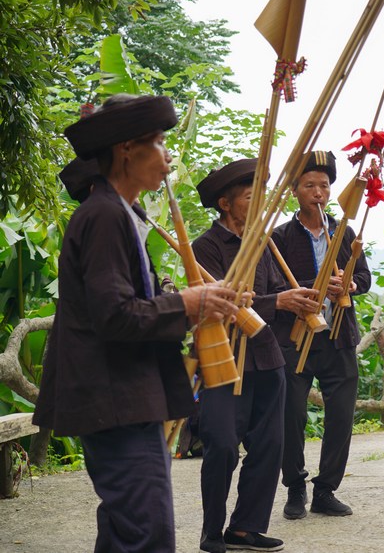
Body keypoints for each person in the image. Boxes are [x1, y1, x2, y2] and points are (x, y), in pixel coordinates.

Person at [33, 94, 239, 553]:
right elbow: (114, 317)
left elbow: (127, 305)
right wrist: (186, 304)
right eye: (160, 142)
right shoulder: (104, 215)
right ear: (127, 149)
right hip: (114, 400)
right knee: (145, 535)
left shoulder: (124, 212)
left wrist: (200, 303)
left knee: (129, 531)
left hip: (127, 397)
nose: (169, 155)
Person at [193, 159, 317, 552]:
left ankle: (245, 528)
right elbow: (210, 304)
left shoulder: (262, 243)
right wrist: (273, 301)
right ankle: (212, 531)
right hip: (223, 359)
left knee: (269, 445)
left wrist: (296, 301)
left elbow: (277, 294)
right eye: (250, 197)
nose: (259, 203)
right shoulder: (205, 248)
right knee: (223, 445)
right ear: (226, 203)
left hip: (267, 357)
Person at [271, 151, 371, 519]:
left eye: (324, 185)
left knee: (341, 415)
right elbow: (272, 283)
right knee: (290, 414)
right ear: (295, 191)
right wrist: (314, 287)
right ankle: (294, 487)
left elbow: (364, 278)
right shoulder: (279, 236)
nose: (318, 191)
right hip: (295, 338)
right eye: (309, 185)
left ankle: (326, 490)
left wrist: (346, 285)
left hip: (338, 337)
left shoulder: (344, 231)